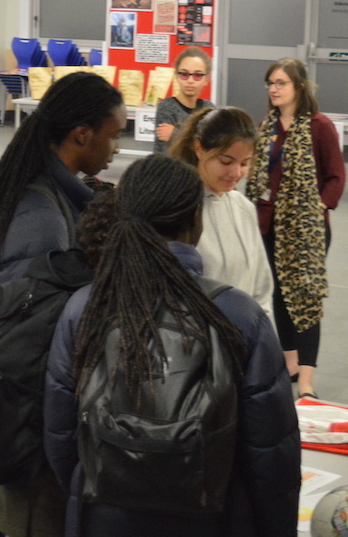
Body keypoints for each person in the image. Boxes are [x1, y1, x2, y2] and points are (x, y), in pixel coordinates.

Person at [44, 154, 300, 537]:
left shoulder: (85, 306)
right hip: (215, 517)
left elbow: (61, 435)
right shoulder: (238, 314)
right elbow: (270, 452)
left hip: (105, 516)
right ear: (195, 220)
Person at [0, 71, 124, 536]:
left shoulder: (63, 198)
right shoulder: (43, 215)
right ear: (82, 135)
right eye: (114, 136)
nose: (116, 149)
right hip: (29, 426)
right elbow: (24, 335)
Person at [246, 58, 344, 400]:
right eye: (270, 82)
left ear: (299, 87)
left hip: (307, 230)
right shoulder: (266, 126)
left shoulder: (319, 127)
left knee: (304, 299)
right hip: (269, 224)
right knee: (279, 296)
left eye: (281, 83)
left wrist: (316, 207)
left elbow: (336, 176)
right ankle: (290, 364)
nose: (274, 88)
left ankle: (306, 382)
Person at [171, 107, 274, 320]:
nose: (236, 173)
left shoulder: (244, 208)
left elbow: (262, 288)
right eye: (226, 162)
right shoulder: (176, 207)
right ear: (199, 148)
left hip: (243, 341)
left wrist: (255, 333)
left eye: (245, 163)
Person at [153, 47, 214, 154]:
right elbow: (167, 153)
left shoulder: (209, 109)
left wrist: (175, 134)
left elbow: (213, 147)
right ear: (177, 76)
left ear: (206, 79)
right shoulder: (166, 108)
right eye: (184, 74)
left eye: (198, 75)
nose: (190, 81)